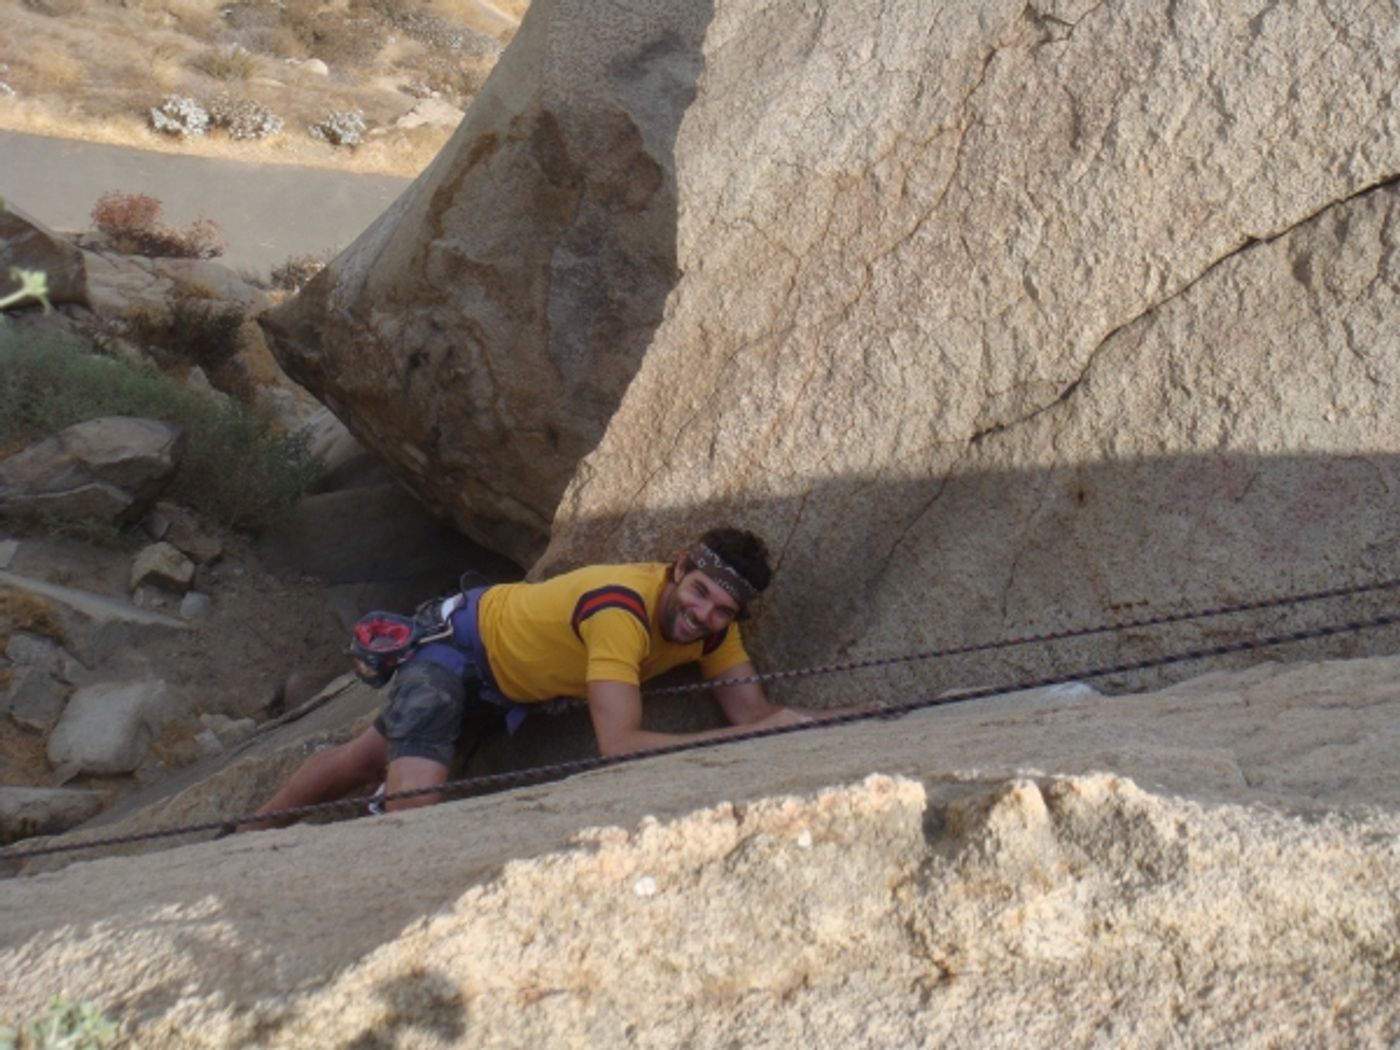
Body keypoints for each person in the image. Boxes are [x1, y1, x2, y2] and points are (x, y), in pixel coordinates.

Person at [247, 526, 833, 828]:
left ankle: (257, 831)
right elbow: (619, 746)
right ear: (677, 569)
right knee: (411, 810)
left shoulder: (711, 631)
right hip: (456, 651)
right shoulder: (620, 611)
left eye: (723, 609)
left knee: (365, 755)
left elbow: (758, 717)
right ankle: (251, 838)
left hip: (505, 686)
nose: (704, 614)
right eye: (700, 592)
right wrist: (741, 739)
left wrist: (854, 719)